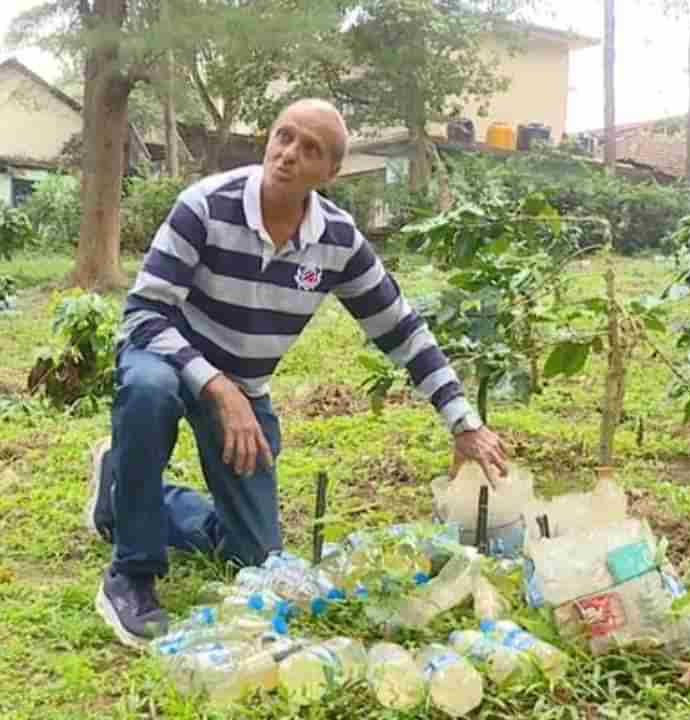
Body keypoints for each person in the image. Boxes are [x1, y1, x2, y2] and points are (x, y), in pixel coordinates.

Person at [85, 98, 509, 648]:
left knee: (255, 555)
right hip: (169, 358)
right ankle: (133, 572)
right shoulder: (206, 206)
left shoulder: (337, 243)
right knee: (150, 388)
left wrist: (463, 421)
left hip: (245, 387)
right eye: (283, 137)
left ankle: (122, 493)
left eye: (310, 150)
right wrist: (215, 385)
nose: (288, 154)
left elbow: (401, 331)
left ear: (330, 173)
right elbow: (143, 314)